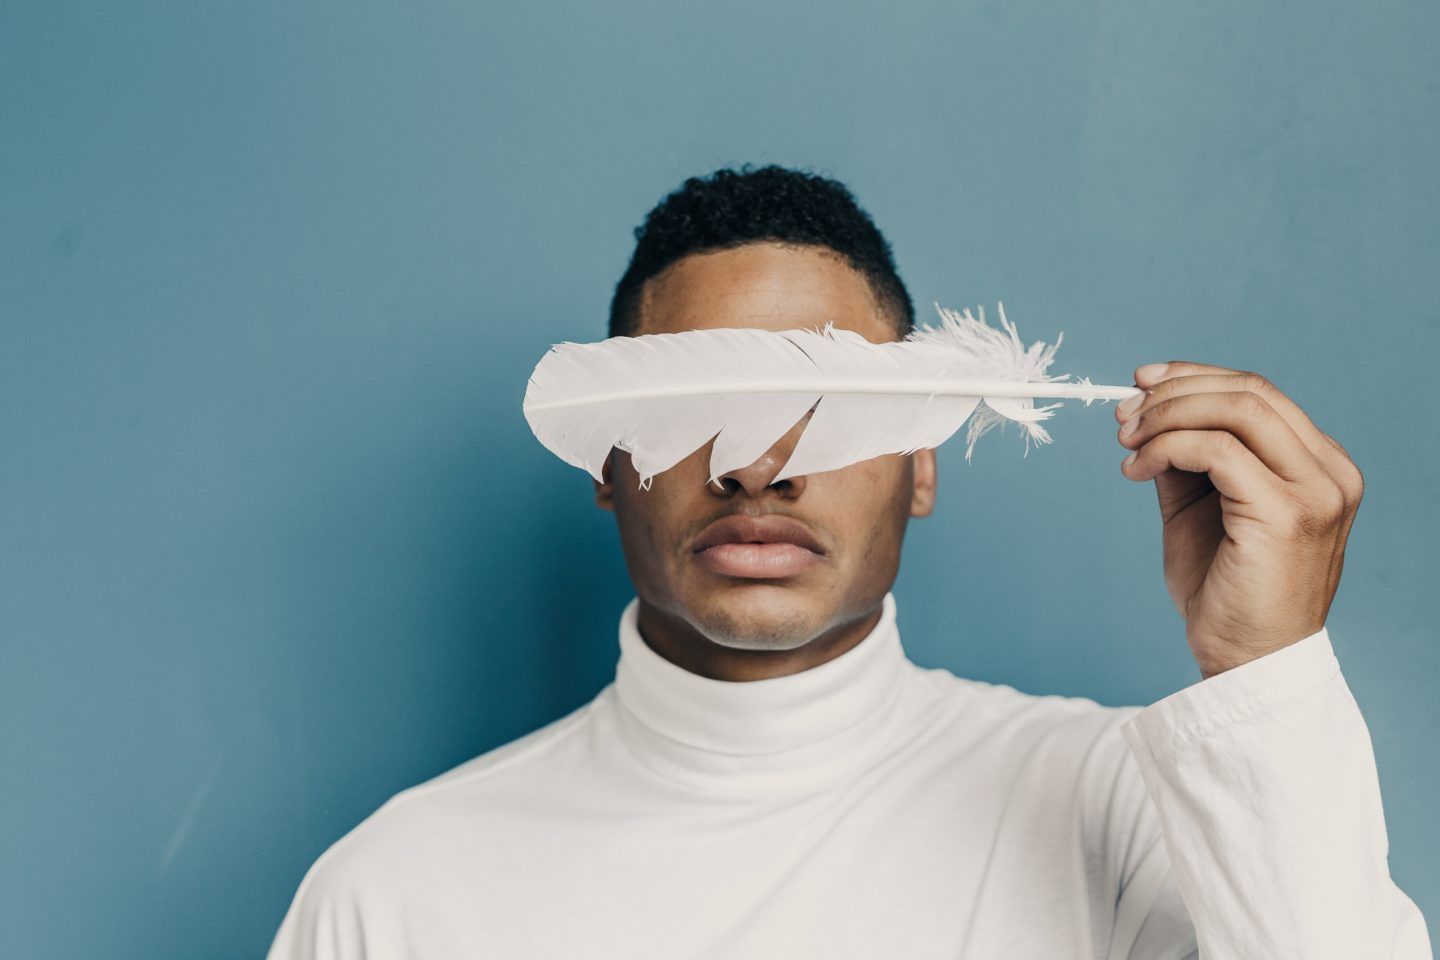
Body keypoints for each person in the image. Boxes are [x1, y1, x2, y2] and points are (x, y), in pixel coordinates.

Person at [268, 166, 1432, 958]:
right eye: (699, 404)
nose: (759, 464)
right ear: (607, 455)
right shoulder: (396, 893)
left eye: (828, 405)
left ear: (922, 460)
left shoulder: (1124, 809)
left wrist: (1266, 672)